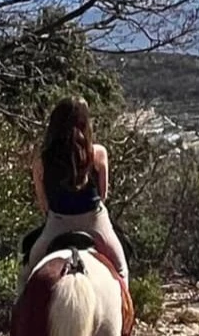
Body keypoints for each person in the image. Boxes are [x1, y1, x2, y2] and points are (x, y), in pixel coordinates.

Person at [25, 96, 128, 280]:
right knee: (120, 270)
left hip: (57, 222)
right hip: (95, 222)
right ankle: (127, 309)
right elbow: (102, 195)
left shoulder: (42, 160)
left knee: (29, 272)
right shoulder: (98, 153)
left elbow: (44, 204)